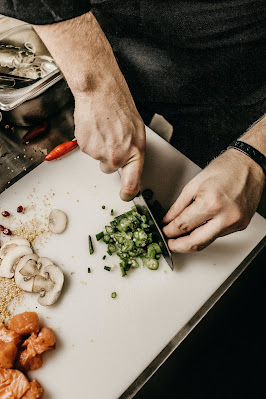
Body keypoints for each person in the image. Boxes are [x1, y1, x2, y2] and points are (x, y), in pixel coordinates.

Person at [0, 1, 265, 253]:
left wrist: (255, 156)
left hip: (240, 78)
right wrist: (94, 83)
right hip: (101, 35)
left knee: (206, 195)